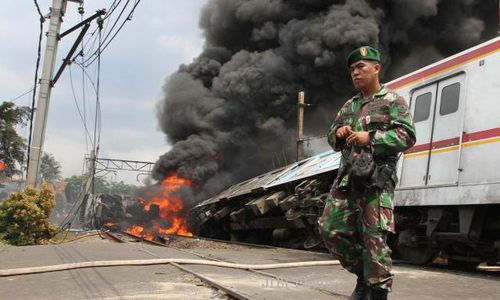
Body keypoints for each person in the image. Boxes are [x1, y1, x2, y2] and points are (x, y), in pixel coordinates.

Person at [318, 46, 416, 300]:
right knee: (330, 229)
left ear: (376, 68)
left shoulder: (393, 101)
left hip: (376, 180)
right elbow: (331, 135)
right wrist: (338, 134)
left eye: (361, 67)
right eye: (352, 69)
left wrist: (370, 137)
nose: (355, 72)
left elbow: (407, 136)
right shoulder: (349, 106)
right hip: (348, 178)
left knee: (374, 237)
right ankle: (364, 275)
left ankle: (377, 290)